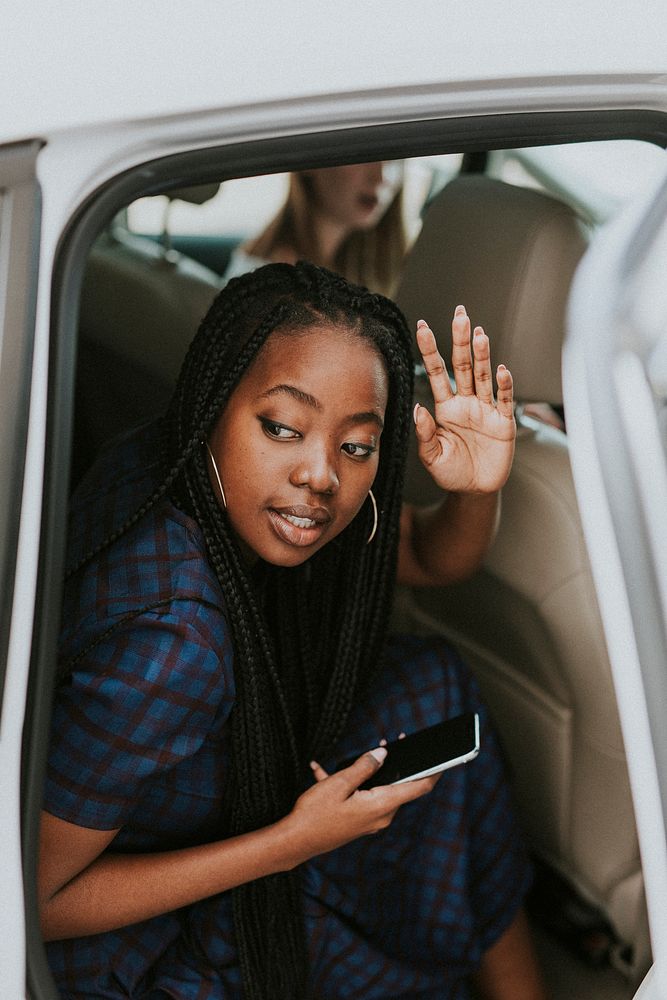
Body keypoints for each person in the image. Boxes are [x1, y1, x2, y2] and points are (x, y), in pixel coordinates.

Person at [39, 262, 547, 999]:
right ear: (216, 402)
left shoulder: (172, 462)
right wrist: (289, 844)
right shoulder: (175, 646)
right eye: (281, 427)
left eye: (357, 446)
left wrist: (473, 492)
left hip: (209, 790)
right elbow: (28, 901)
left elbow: (427, 560)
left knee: (430, 683)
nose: (320, 476)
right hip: (122, 958)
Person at [223, 162, 410, 296]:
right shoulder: (273, 283)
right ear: (309, 163)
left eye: (394, 158)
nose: (381, 177)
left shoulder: (363, 267)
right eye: (361, 156)